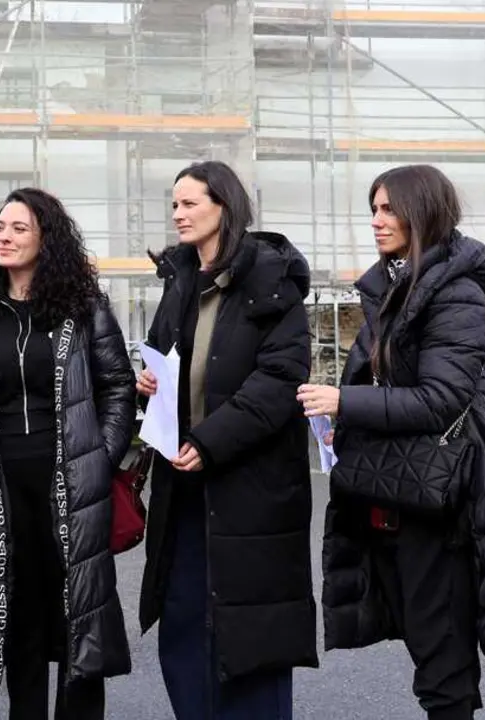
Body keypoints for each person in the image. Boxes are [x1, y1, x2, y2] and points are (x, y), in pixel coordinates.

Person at [298, 164, 485, 719]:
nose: (376, 221)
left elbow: (442, 399)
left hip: (445, 502)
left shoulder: (454, 293)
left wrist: (346, 403)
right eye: (373, 209)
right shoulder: (395, 286)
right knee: (426, 645)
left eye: (390, 209)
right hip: (402, 489)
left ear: (423, 213)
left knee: (443, 665)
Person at [0, 187, 136, 719]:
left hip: (73, 489)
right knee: (18, 624)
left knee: (80, 623)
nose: (4, 236)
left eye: (19, 228)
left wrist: (100, 457)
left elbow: (117, 387)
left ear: (46, 238)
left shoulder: (84, 308)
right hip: (1, 494)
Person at [135, 160, 317, 719]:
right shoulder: (180, 278)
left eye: (190, 203)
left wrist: (211, 441)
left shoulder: (271, 276)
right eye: (174, 205)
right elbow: (167, 355)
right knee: (186, 622)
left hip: (251, 486)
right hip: (183, 481)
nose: (178, 214)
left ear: (224, 206)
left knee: (252, 634)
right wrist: (147, 382)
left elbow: (280, 379)